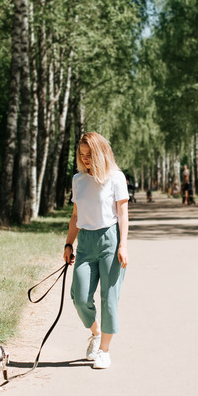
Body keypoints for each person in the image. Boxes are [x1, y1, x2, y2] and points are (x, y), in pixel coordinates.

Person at [63, 132, 129, 369]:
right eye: (82, 154)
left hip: (110, 239)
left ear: (101, 153)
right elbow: (75, 216)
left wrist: (123, 245)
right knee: (80, 298)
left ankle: (104, 351)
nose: (85, 158)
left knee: (109, 298)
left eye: (89, 154)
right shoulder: (78, 180)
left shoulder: (116, 178)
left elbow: (122, 214)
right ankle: (96, 333)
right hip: (85, 243)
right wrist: (69, 243)